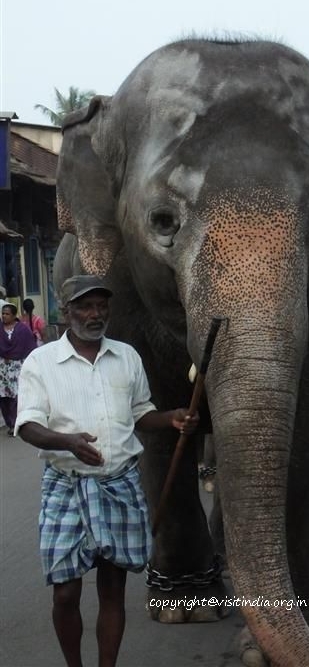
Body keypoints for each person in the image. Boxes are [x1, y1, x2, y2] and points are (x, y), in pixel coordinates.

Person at [15, 275, 198, 667]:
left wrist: (171, 418)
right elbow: (27, 425)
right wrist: (68, 443)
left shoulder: (126, 357)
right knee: (65, 593)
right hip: (65, 488)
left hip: (119, 485)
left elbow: (140, 415)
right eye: (85, 306)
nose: (95, 314)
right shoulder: (41, 363)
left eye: (101, 306)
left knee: (112, 589)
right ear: (65, 312)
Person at [0, 303, 36, 435]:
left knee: (17, 396)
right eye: (3, 313)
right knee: (3, 398)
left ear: (14, 316)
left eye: (7, 313)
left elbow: (31, 348)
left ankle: (16, 423)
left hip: (17, 368)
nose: (4, 316)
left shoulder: (22, 329)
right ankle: (9, 422)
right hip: (2, 369)